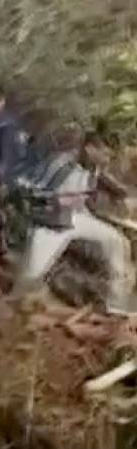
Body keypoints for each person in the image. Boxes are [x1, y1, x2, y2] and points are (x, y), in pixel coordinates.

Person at [14, 133, 137, 314]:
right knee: (31, 275)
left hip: (77, 218)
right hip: (52, 224)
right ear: (89, 148)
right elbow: (26, 186)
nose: (107, 159)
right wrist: (53, 200)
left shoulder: (92, 166)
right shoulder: (60, 164)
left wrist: (121, 195)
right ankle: (15, 305)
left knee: (116, 242)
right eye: (104, 154)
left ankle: (116, 303)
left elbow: (101, 181)